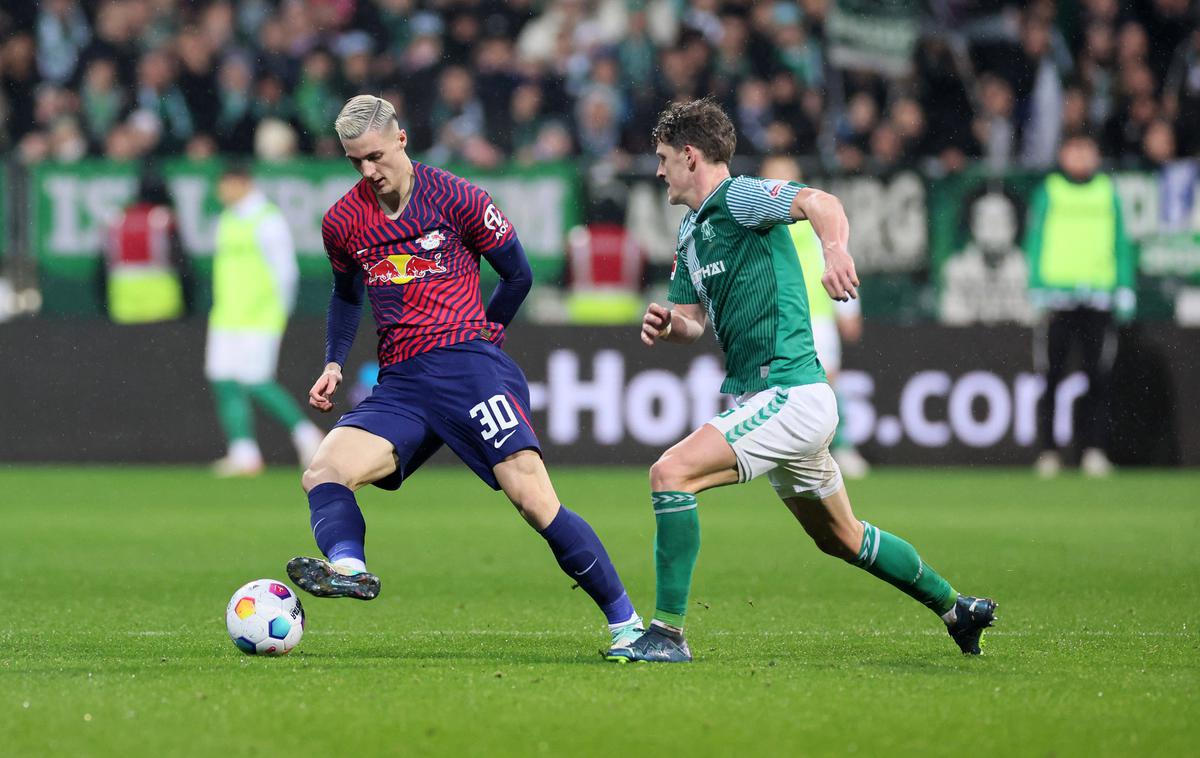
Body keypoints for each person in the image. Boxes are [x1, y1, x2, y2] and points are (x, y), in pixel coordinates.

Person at [607, 98, 995, 664]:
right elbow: (691, 321)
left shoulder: (738, 199)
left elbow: (820, 201)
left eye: (665, 158)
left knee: (671, 474)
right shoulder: (691, 231)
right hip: (772, 399)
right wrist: (671, 325)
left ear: (691, 156)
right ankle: (957, 609)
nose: (659, 170)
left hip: (789, 394)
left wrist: (833, 251)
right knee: (842, 537)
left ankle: (666, 635)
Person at [286, 95, 643, 653]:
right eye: (355, 162)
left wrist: (486, 337)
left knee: (531, 498)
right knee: (324, 471)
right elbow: (345, 296)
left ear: (401, 139)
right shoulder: (343, 221)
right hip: (402, 382)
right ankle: (351, 569)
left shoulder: (460, 197)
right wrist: (334, 359)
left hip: (468, 369)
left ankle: (628, 625)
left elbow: (518, 276)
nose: (368, 171)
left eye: (375, 156)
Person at [1025, 131, 1134, 478]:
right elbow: (1035, 239)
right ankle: (1049, 452)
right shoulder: (1050, 191)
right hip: (1057, 297)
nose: (1081, 157)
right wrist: (1035, 286)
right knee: (1051, 378)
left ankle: (1093, 450)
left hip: (1098, 297)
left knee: (1097, 378)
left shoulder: (1107, 193)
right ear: (1062, 154)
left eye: (1087, 150)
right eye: (1075, 150)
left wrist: (1125, 285)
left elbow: (1122, 242)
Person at [206, 163, 324, 476]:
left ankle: (307, 435)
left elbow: (286, 271)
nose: (221, 192)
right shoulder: (226, 219)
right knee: (224, 380)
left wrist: (279, 312)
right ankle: (243, 453)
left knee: (255, 380)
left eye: (225, 184)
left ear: (242, 182)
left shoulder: (267, 219)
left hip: (259, 318)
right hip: (226, 316)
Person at [760, 154, 870, 477]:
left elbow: (838, 257)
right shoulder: (759, 226)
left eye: (786, 180)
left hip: (816, 317)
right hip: (774, 320)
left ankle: (844, 447)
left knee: (827, 385)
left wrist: (849, 306)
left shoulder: (812, 223)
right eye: (772, 180)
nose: (779, 187)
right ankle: (778, 453)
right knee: (772, 387)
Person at [100, 171, 192, 324]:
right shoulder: (163, 218)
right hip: (161, 296)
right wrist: (188, 300)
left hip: (124, 296)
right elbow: (180, 259)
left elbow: (104, 263)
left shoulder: (118, 219)